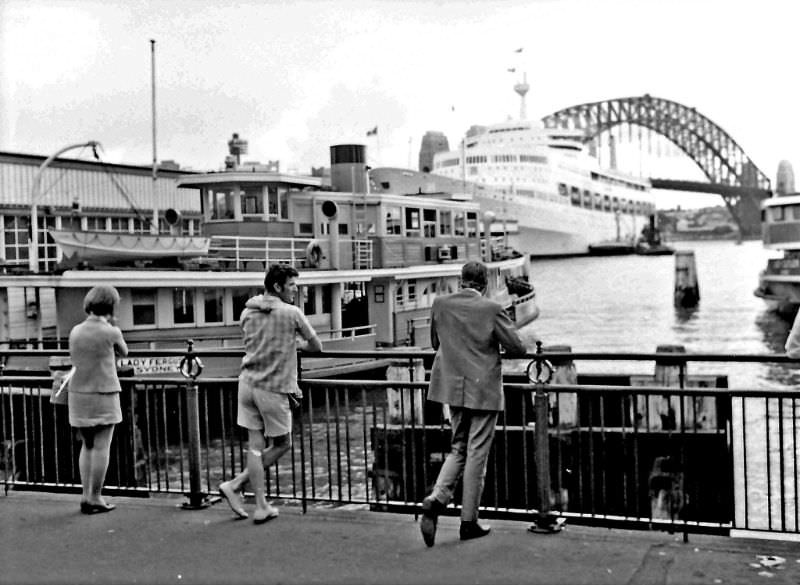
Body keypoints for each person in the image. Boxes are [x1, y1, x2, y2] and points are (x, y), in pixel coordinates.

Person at [419, 261, 528, 546]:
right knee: (477, 452)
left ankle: (436, 499)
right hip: (483, 389)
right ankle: (469, 522)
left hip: (453, 387)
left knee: (458, 447)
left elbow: (434, 342)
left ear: (461, 281)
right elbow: (518, 346)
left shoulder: (440, 304)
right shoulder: (491, 309)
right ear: (486, 283)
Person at [218, 264, 322, 524]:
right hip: (273, 387)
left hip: (247, 384)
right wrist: (295, 343)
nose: (296, 291)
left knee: (255, 447)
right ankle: (238, 484)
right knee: (283, 443)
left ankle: (260, 504)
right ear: (278, 286)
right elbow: (316, 346)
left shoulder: (247, 312)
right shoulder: (292, 313)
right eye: (292, 286)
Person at [68, 285, 129, 514]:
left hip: (78, 394)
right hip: (104, 393)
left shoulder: (75, 331)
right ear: (111, 305)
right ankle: (96, 497)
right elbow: (124, 352)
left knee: (87, 445)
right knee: (103, 446)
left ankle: (85, 496)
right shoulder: (111, 332)